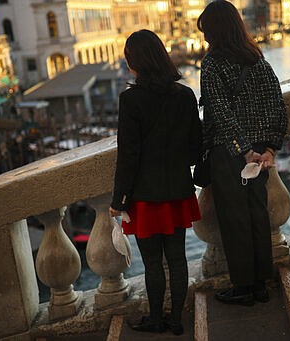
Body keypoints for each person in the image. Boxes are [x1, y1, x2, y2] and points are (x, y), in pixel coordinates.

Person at [109, 29, 202, 335]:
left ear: (135, 62)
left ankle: (156, 320)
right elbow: (194, 149)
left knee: (152, 263)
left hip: (145, 196)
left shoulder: (131, 100)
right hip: (177, 191)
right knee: (177, 259)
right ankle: (176, 320)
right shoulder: (185, 94)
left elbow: (129, 155)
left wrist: (118, 200)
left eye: (128, 59)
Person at [197, 0, 288, 306]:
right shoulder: (259, 60)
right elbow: (278, 105)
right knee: (257, 215)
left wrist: (244, 150)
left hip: (231, 154)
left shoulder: (212, 64)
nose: (205, 38)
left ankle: (244, 288)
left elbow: (220, 112)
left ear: (215, 31)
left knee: (235, 219)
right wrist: (270, 148)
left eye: (207, 31)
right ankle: (261, 283)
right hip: (260, 153)